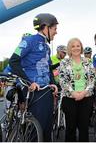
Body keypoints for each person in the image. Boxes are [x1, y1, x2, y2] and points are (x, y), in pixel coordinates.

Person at [9, 13, 59, 141]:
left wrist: (53, 84)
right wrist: (29, 82)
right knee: (36, 131)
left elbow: (48, 67)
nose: (56, 32)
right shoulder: (29, 41)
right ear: (45, 27)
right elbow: (13, 61)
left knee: (47, 127)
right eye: (54, 28)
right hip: (33, 90)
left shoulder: (47, 47)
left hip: (46, 90)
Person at [59, 38, 96, 142]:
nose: (76, 48)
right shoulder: (64, 62)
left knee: (84, 129)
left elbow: (92, 79)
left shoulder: (88, 62)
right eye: (73, 46)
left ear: (81, 47)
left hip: (86, 98)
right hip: (69, 99)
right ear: (69, 49)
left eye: (78, 46)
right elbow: (62, 80)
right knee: (70, 129)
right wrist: (73, 92)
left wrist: (84, 93)